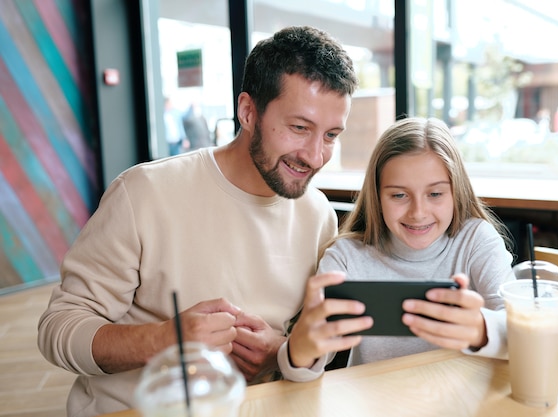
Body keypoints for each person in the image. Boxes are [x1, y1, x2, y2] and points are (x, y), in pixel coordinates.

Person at [38, 25, 358, 417]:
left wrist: (278, 352)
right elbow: (58, 329)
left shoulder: (319, 214)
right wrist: (161, 340)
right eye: (299, 128)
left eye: (330, 135)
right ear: (248, 112)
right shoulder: (144, 193)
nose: (315, 156)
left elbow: (305, 341)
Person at [278, 117, 515, 382]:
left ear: (456, 192)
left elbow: (522, 334)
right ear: (377, 197)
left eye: (435, 194)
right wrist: (300, 349)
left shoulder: (475, 240)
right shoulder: (347, 257)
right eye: (399, 195)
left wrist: (482, 329)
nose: (418, 212)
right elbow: (300, 372)